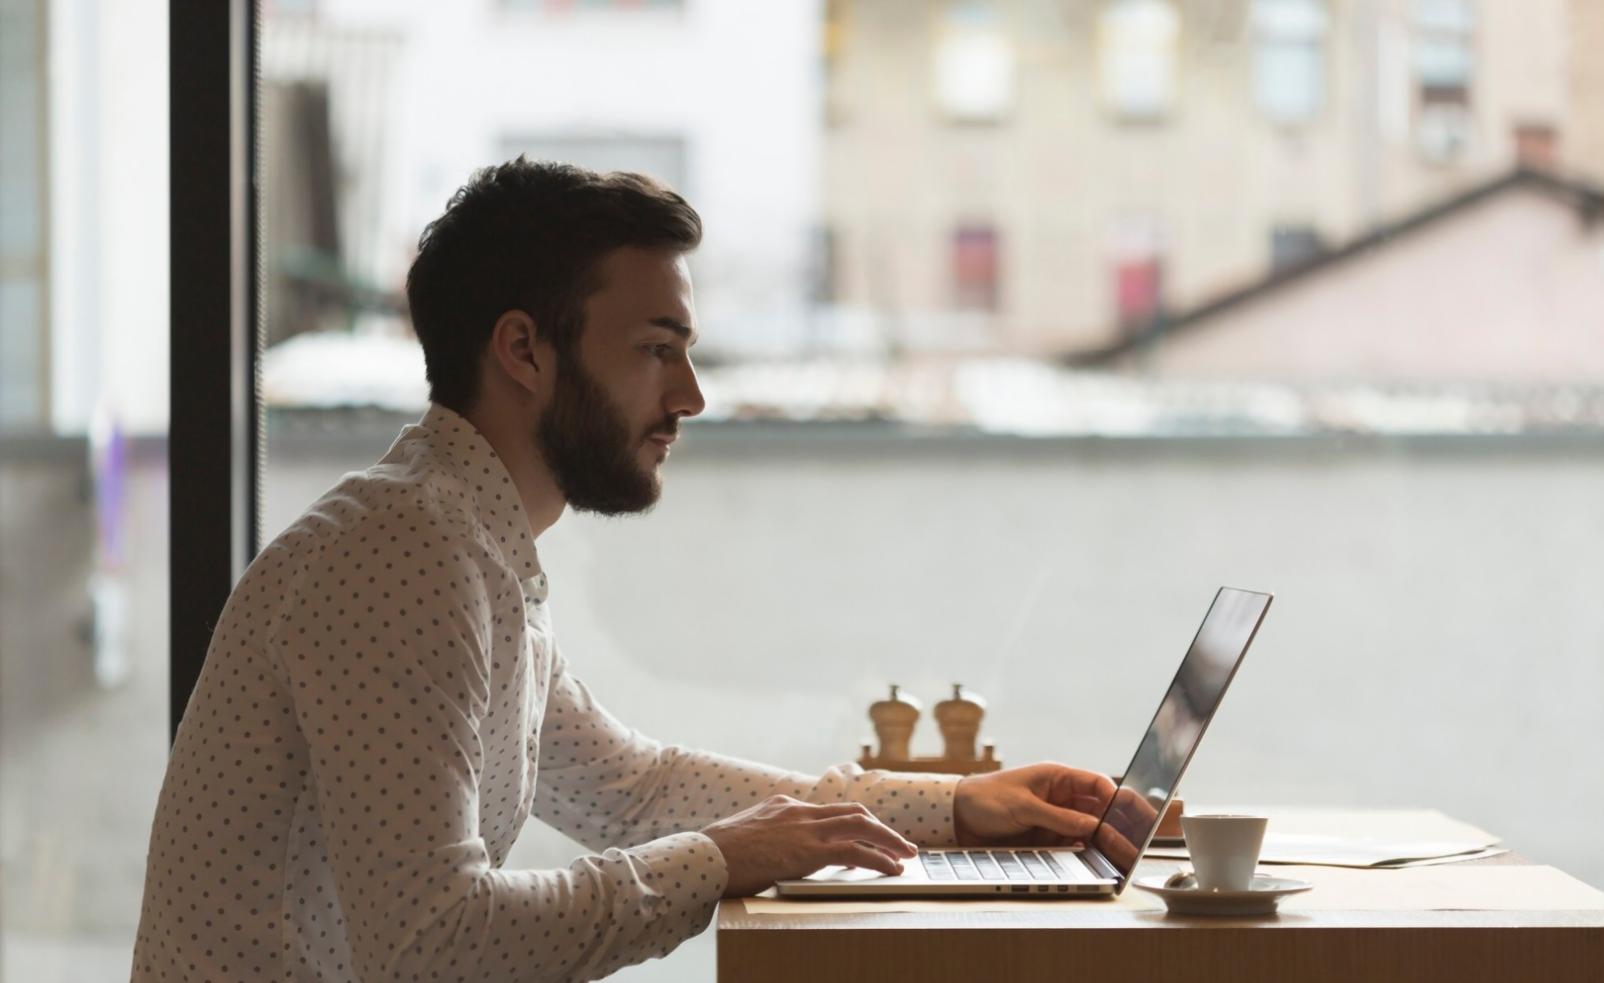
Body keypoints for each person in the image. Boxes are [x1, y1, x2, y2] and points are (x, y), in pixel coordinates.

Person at [132, 158, 1123, 982]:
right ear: (523, 348)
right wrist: (721, 860)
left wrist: (949, 806)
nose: (688, 394)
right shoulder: (404, 555)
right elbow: (433, 944)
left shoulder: (464, 540)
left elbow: (627, 790)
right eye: (656, 350)